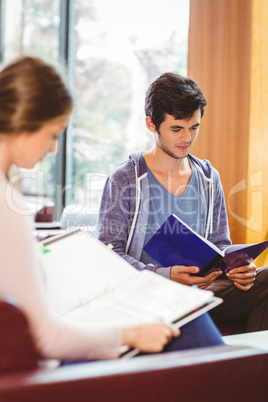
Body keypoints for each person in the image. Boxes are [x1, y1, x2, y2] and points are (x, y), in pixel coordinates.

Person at [0, 57, 223, 365]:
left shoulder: (209, 178)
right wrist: (129, 335)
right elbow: (46, 337)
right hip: (89, 324)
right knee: (191, 326)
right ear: (24, 123)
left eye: (193, 128)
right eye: (53, 134)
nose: (53, 149)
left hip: (109, 309)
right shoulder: (8, 207)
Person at [97, 72, 268, 333]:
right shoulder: (124, 179)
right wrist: (165, 275)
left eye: (194, 127)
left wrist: (238, 268)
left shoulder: (209, 178)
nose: (187, 138)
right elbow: (107, 253)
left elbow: (220, 245)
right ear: (151, 124)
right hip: (150, 296)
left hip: (203, 292)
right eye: (177, 129)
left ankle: (253, 366)